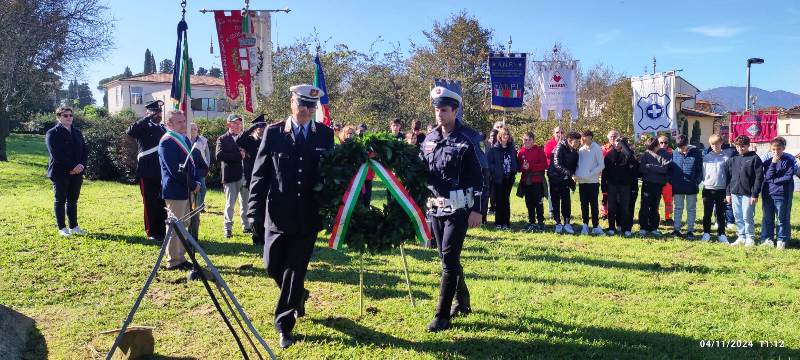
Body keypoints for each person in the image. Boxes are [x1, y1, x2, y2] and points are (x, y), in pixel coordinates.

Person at [248, 84, 334, 348]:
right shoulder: (274, 133)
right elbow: (260, 174)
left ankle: (284, 324)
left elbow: (330, 175)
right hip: (276, 214)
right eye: (302, 104)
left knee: (295, 270)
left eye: (311, 106)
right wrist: (253, 212)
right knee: (272, 265)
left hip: (307, 217)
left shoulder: (324, 135)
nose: (306, 110)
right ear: (292, 103)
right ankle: (299, 295)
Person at [421, 86, 486, 332]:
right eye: (437, 109)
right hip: (435, 209)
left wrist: (478, 209)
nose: (440, 114)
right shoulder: (429, 139)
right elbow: (419, 168)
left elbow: (481, 176)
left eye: (444, 109)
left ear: (455, 111)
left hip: (459, 209)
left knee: (448, 259)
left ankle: (442, 315)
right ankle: (463, 301)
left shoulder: (468, 139)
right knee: (446, 258)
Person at [158, 110, 204, 271]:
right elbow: (174, 170)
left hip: (187, 189)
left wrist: (196, 180)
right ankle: (173, 261)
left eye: (184, 121)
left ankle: (181, 257)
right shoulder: (167, 142)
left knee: (184, 224)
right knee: (175, 226)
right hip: (175, 190)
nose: (184, 124)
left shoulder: (184, 138)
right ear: (169, 124)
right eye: (179, 122)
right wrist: (192, 185)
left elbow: (192, 163)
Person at [126, 100, 167, 242]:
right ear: (148, 113)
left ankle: (162, 231)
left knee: (162, 202)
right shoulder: (143, 126)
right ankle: (152, 232)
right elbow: (131, 131)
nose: (158, 114)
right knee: (150, 203)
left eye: (159, 112)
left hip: (161, 171)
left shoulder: (163, 129)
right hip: (147, 171)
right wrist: (146, 118)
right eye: (155, 112)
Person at [45, 106, 87, 237]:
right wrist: (73, 166)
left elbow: (85, 150)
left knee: (73, 201)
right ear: (59, 117)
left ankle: (74, 226)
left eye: (70, 115)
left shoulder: (77, 132)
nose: (69, 118)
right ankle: (62, 228)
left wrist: (81, 166)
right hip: (60, 172)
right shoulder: (52, 133)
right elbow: (56, 154)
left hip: (77, 172)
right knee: (60, 200)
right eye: (65, 115)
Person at [725, 135, 764, 247]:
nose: (740, 149)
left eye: (742, 146)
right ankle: (741, 236)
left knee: (747, 216)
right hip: (734, 192)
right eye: (737, 146)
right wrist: (728, 193)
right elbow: (728, 177)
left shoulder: (755, 158)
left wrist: (755, 194)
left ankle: (750, 237)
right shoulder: (733, 159)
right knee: (738, 215)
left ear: (748, 145)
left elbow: (759, 177)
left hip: (748, 194)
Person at [216, 114, 250, 238]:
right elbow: (219, 156)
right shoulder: (222, 139)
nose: (238, 125)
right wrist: (238, 156)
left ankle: (246, 226)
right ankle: (228, 228)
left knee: (245, 203)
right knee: (230, 204)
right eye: (235, 123)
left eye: (239, 123)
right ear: (229, 124)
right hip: (230, 176)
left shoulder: (244, 138)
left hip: (244, 175)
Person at [759, 136, 795, 250]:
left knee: (782, 218)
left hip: (782, 194)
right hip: (768, 193)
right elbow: (768, 175)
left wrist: (773, 180)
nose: (776, 151)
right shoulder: (767, 161)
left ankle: (782, 240)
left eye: (778, 149)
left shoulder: (789, 160)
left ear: (783, 148)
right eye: (773, 149)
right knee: (767, 218)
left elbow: (788, 177)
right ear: (770, 148)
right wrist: (773, 163)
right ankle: (767, 239)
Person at [239, 115, 268, 245]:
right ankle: (256, 236)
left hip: (266, 179)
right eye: (260, 127)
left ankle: (265, 234)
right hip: (252, 179)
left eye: (264, 126)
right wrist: (251, 128)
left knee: (266, 208)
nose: (262, 129)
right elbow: (238, 141)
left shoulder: (267, 140)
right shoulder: (249, 140)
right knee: (254, 209)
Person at [669, 135, 703, 239]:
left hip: (691, 187)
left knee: (691, 209)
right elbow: (670, 169)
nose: (681, 150)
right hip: (678, 186)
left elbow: (700, 170)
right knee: (678, 208)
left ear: (687, 144)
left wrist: (696, 182)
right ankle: (676, 229)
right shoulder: (674, 153)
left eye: (682, 147)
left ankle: (690, 231)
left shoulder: (696, 153)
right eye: (679, 147)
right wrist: (672, 181)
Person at [603, 137, 637, 236]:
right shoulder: (609, 155)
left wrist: (625, 147)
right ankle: (611, 227)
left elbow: (631, 159)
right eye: (616, 142)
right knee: (612, 207)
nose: (618, 144)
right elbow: (605, 172)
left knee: (625, 207)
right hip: (612, 185)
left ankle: (626, 228)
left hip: (625, 185)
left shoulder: (627, 155)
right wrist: (604, 186)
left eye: (620, 142)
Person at [548, 131, 581, 234]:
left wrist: (572, 175)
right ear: (569, 140)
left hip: (566, 179)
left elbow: (574, 165)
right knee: (555, 200)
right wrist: (570, 174)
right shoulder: (560, 148)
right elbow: (557, 164)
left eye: (578, 142)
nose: (577, 144)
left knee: (566, 200)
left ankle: (567, 222)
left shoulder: (575, 151)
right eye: (576, 142)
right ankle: (558, 223)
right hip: (555, 178)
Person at [700, 135, 731, 244]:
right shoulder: (706, 157)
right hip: (708, 189)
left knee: (720, 213)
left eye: (717, 144)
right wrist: (707, 182)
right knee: (707, 213)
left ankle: (721, 234)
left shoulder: (726, 158)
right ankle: (706, 233)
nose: (715, 146)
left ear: (721, 143)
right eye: (713, 144)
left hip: (721, 189)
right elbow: (703, 173)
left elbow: (728, 175)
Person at [638, 137, 671, 236]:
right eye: (650, 148)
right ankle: (643, 227)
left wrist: (650, 166)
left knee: (655, 206)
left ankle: (653, 227)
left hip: (658, 184)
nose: (652, 150)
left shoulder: (664, 153)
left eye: (654, 148)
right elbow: (643, 169)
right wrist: (656, 168)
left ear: (657, 146)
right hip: (647, 184)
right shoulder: (646, 154)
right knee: (644, 205)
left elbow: (665, 169)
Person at [575, 130, 605, 235]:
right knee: (584, 204)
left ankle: (596, 226)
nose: (582, 139)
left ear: (590, 137)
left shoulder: (597, 148)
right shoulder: (581, 150)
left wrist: (590, 173)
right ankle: (585, 225)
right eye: (582, 137)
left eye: (584, 137)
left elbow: (601, 165)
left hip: (593, 182)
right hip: (582, 182)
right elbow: (578, 165)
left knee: (593, 204)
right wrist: (576, 174)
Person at [487, 128, 517, 230]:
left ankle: (506, 222)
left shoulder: (511, 149)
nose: (506, 136)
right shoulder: (494, 149)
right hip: (498, 178)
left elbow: (514, 161)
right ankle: (498, 222)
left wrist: (514, 170)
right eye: (504, 134)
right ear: (500, 136)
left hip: (509, 178)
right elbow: (489, 163)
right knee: (499, 200)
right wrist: (495, 171)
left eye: (507, 134)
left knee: (506, 200)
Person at [517, 132, 547, 231]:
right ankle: (531, 221)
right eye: (525, 139)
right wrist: (523, 167)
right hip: (527, 181)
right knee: (529, 202)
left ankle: (541, 221)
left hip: (537, 181)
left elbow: (544, 165)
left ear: (533, 141)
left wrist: (532, 167)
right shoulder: (521, 152)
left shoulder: (539, 151)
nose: (527, 142)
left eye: (529, 140)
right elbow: (519, 167)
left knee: (538, 202)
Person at [189, 123, 211, 209]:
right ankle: (194, 206)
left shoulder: (203, 140)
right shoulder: (185, 139)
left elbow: (207, 154)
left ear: (198, 130)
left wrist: (207, 164)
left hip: (201, 168)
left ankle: (200, 206)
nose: (193, 130)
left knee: (203, 188)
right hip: (190, 168)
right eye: (191, 129)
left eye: (195, 129)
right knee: (192, 188)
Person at [543, 126, 564, 218]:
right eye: (557, 132)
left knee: (563, 193)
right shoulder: (549, 143)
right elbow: (548, 154)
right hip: (552, 171)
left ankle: (563, 212)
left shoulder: (566, 143)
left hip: (563, 172)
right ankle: (552, 210)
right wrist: (557, 145)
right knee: (552, 192)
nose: (559, 134)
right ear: (553, 134)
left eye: (561, 132)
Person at [600, 130, 618, 220]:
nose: (613, 138)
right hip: (606, 174)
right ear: (608, 137)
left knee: (616, 195)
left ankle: (614, 212)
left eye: (614, 136)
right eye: (611, 136)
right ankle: (604, 213)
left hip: (617, 175)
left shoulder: (622, 147)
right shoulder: (603, 148)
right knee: (605, 194)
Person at [657, 135, 674, 226]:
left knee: (668, 202)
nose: (663, 144)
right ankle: (656, 217)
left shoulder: (672, 153)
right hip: (657, 181)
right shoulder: (654, 152)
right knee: (656, 201)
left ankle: (668, 218)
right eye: (661, 142)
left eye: (665, 142)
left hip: (667, 181)